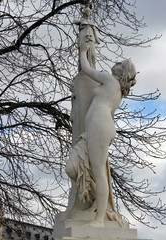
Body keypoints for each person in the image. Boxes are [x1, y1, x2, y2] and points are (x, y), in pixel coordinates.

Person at [66, 42, 136, 228]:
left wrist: (83, 51)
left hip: (99, 127)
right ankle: (99, 202)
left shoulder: (110, 80)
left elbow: (87, 69)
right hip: (94, 129)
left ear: (123, 73)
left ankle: (99, 220)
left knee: (98, 172)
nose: (116, 63)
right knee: (73, 169)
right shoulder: (116, 88)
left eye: (120, 64)